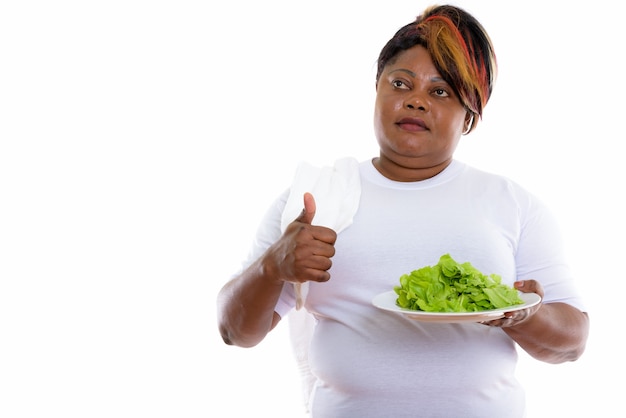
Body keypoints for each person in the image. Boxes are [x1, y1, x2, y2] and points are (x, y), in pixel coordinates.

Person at [217, 4, 589, 417]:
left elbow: (571, 345)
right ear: (377, 90)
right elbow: (235, 333)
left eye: (440, 91)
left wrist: (521, 315)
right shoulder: (315, 199)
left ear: (469, 117)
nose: (415, 101)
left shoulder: (511, 202)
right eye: (400, 83)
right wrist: (272, 268)